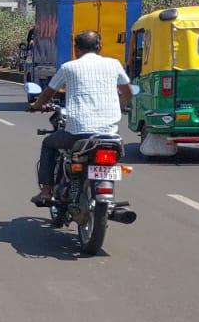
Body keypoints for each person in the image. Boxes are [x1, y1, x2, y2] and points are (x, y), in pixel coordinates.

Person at [27, 30, 131, 206]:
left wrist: (36, 106)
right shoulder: (114, 64)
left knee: (49, 143)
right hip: (110, 135)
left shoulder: (69, 67)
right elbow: (127, 93)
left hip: (78, 132)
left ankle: (46, 191)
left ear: (77, 49)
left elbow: (48, 93)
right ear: (100, 47)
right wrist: (118, 107)